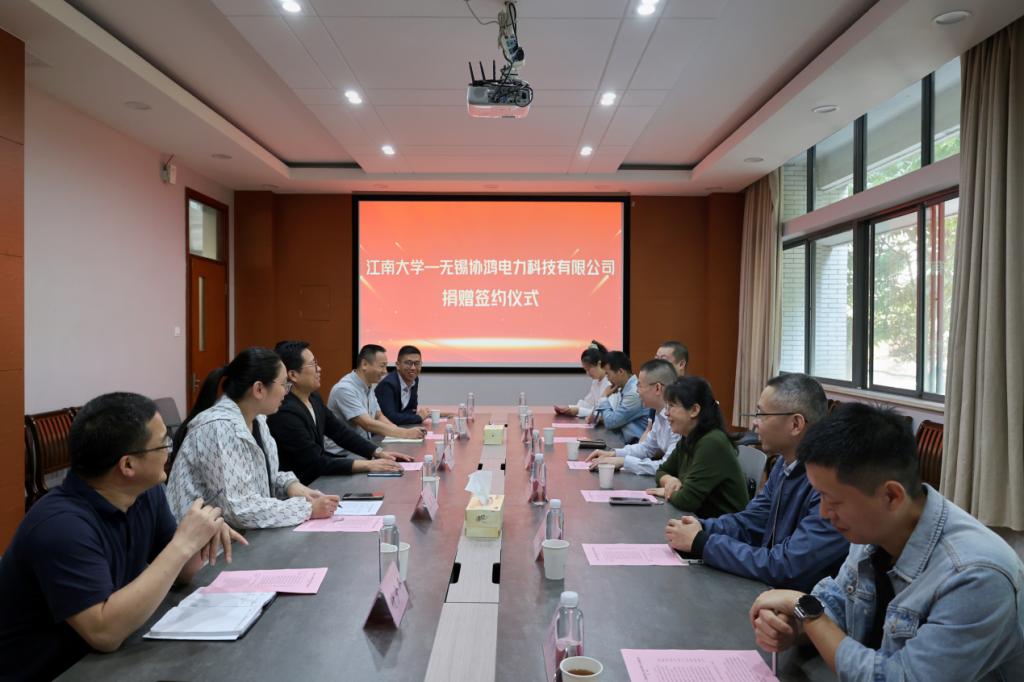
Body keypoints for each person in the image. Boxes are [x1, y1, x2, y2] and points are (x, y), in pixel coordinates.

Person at [750, 403, 1024, 681]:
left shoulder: (975, 576)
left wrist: (806, 609)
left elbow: (902, 677)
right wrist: (792, 626)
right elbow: (839, 604)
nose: (823, 512)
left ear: (892, 496)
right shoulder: (874, 529)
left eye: (833, 500)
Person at [0, 393, 246, 680]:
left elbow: (181, 574)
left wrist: (200, 536)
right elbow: (104, 634)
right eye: (163, 444)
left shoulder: (145, 494)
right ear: (127, 465)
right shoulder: (60, 527)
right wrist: (182, 544)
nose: (169, 452)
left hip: (104, 664)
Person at [663, 373, 848, 591]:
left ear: (796, 424)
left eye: (761, 414)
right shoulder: (783, 465)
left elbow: (787, 566)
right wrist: (702, 528)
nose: (754, 423)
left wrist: (703, 543)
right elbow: (751, 522)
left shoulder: (831, 486)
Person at [167, 347, 340, 528]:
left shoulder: (258, 419)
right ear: (259, 389)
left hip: (235, 533)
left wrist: (290, 485)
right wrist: (307, 509)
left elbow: (260, 477)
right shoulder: (220, 427)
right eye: (284, 385)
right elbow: (239, 509)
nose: (286, 392)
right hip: (199, 539)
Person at [268, 341, 411, 485]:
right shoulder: (285, 412)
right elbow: (314, 462)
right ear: (293, 375)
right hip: (303, 485)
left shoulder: (313, 397)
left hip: (321, 478)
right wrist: (369, 464)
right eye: (313, 365)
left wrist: (378, 452)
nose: (319, 369)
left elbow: (340, 432)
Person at [646, 376, 749, 516]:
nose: (666, 413)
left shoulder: (712, 443)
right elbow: (661, 471)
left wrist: (666, 491)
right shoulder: (688, 437)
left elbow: (686, 500)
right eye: (666, 406)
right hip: (698, 520)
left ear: (694, 410)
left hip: (722, 526)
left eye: (672, 406)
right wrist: (670, 480)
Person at [585, 358, 679, 476]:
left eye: (639, 385)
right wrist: (613, 453)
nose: (637, 391)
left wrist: (623, 462)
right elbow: (646, 448)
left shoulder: (677, 418)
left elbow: (665, 467)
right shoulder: (659, 413)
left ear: (657, 388)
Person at [326, 344, 427, 452]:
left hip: (361, 447)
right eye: (382, 366)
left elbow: (378, 416)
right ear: (364, 364)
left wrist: (399, 431)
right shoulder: (344, 389)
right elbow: (367, 424)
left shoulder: (367, 386)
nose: (385, 371)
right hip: (342, 453)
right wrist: (405, 433)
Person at [590, 350, 648, 443]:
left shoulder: (633, 393)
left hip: (634, 444)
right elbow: (595, 418)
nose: (607, 379)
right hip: (623, 440)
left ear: (620, 371)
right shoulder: (622, 389)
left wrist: (604, 397)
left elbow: (611, 422)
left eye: (608, 374)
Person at [375, 345, 431, 426]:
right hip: (385, 430)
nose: (413, 368)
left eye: (417, 363)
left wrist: (417, 416)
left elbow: (411, 410)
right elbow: (390, 417)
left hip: (403, 427)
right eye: (408, 363)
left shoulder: (414, 379)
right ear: (398, 365)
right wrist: (418, 418)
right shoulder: (388, 384)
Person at [554, 341, 610, 419]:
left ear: (599, 364)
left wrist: (578, 410)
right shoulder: (596, 381)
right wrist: (569, 408)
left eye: (589, 369)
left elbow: (602, 414)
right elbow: (588, 403)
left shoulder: (610, 382)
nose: (587, 373)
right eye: (585, 370)